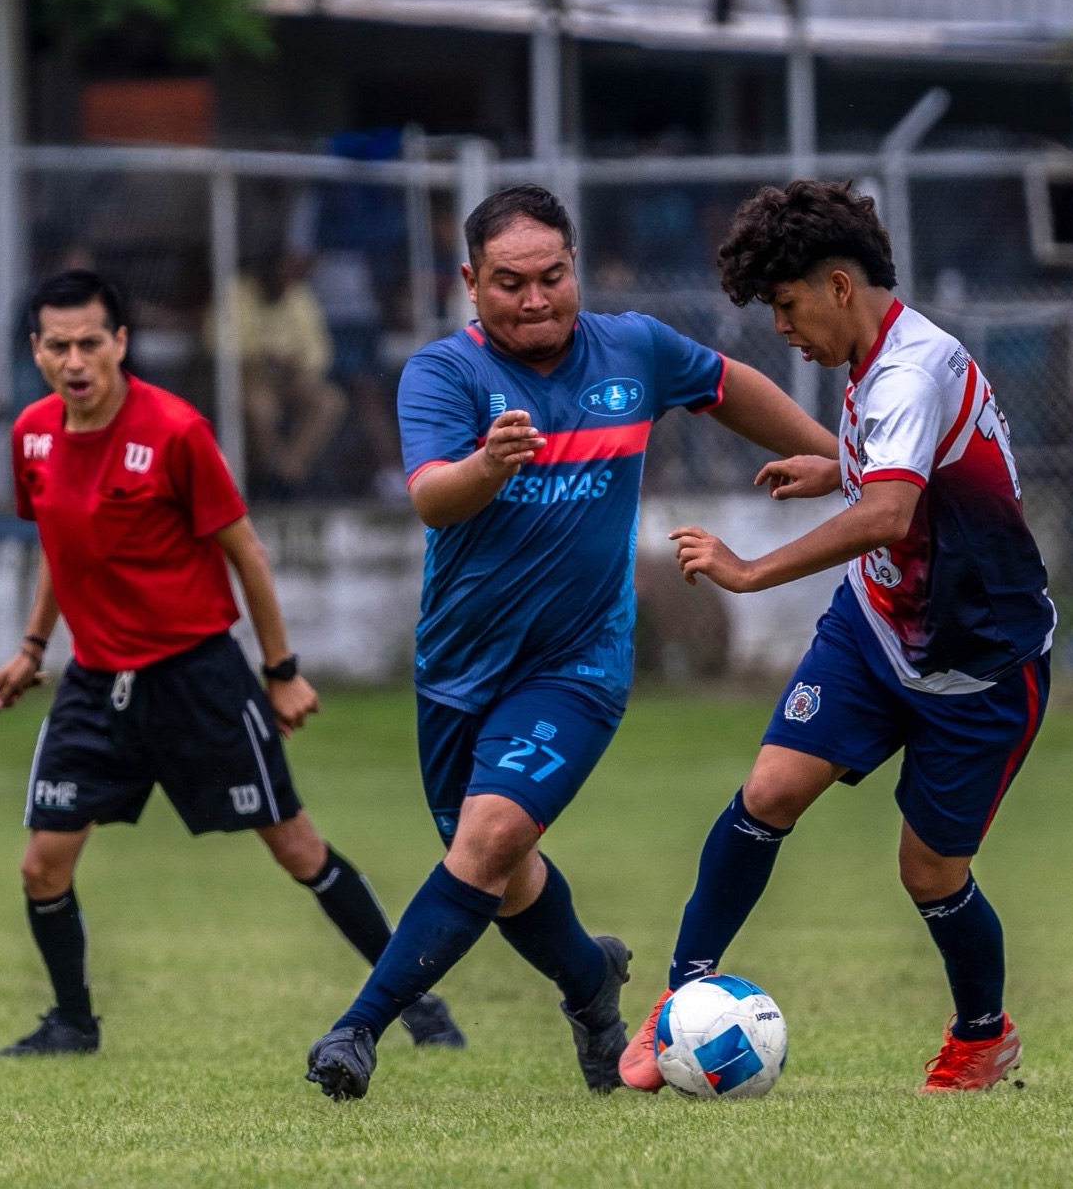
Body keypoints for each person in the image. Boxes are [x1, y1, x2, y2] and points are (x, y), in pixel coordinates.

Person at [302, 184, 836, 1101]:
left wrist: (843, 458)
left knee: (489, 838)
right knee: (501, 873)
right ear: (471, 282)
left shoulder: (633, 348)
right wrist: (487, 464)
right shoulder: (442, 374)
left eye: (552, 276)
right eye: (510, 283)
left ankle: (358, 1030)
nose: (535, 299)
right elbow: (432, 498)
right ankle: (592, 985)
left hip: (577, 666)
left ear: (574, 268)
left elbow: (726, 385)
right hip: (459, 670)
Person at [617, 180, 1056, 1095]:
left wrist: (749, 570)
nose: (782, 327)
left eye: (787, 305)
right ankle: (680, 998)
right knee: (770, 789)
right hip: (876, 626)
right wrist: (838, 466)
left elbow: (890, 513)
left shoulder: (908, 372)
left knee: (929, 873)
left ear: (840, 286)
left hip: (979, 664)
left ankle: (983, 1036)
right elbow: (903, 480)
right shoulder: (878, 356)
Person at [0, 269, 463, 1056]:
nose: (75, 361)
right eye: (58, 346)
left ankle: (415, 1001)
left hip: (197, 677)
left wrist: (282, 671)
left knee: (297, 849)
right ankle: (72, 1022)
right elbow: (60, 548)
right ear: (35, 349)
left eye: (90, 343)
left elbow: (248, 554)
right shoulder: (32, 434)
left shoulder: (174, 431)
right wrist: (33, 648)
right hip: (97, 684)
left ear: (120, 343)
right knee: (43, 864)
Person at [229, 253, 347, 493]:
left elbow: (319, 349)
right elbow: (219, 343)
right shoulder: (237, 293)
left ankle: (289, 471)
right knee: (263, 409)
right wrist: (262, 355)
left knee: (329, 402)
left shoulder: (297, 293)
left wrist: (296, 362)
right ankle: (271, 476)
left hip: (291, 379)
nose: (285, 284)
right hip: (250, 378)